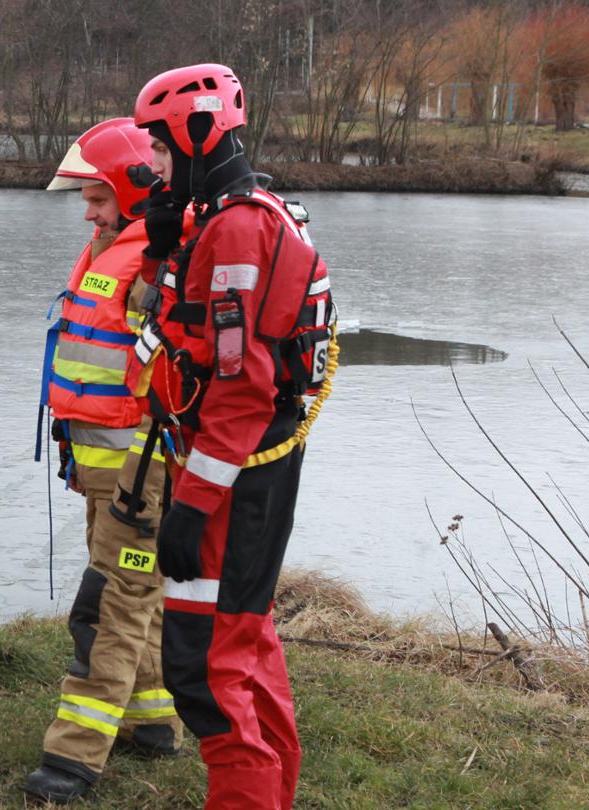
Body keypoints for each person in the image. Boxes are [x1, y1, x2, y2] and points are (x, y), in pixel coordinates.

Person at [132, 64, 337, 810]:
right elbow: (172, 326)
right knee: (245, 649)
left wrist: (190, 505)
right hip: (245, 468)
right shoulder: (229, 214)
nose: (151, 160)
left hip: (235, 475)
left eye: (157, 145)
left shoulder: (239, 227)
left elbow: (241, 386)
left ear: (194, 132)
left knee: (208, 673)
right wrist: (161, 240)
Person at [24, 117, 186, 803]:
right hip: (101, 469)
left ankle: (74, 758)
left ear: (131, 187)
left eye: (95, 196)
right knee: (135, 598)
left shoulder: (154, 264)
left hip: (140, 472)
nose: (86, 209)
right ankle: (153, 725)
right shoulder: (109, 246)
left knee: (109, 608)